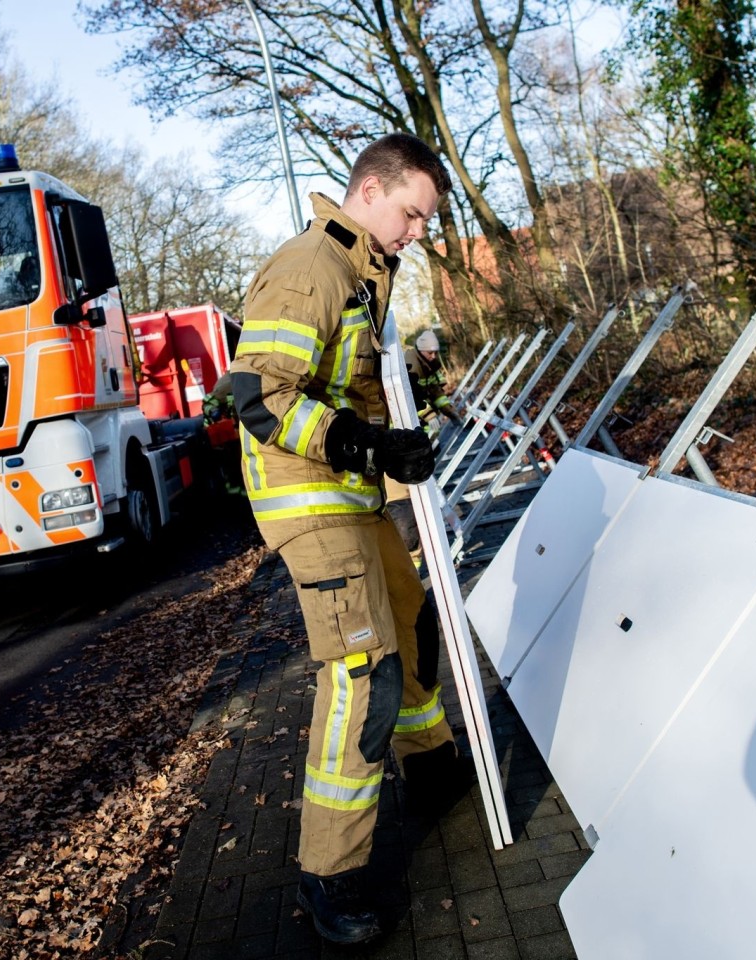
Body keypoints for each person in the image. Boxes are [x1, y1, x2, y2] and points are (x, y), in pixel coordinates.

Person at [227, 132, 472, 945]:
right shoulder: (311, 269)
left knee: (409, 617)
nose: (416, 233)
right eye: (412, 214)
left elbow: (356, 389)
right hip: (309, 500)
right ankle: (329, 874)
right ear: (371, 191)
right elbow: (260, 398)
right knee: (362, 671)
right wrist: (369, 447)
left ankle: (428, 759)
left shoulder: (362, 272)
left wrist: (400, 441)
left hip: (351, 491)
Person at [404, 329, 461, 432]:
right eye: (430, 353)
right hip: (411, 420)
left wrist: (449, 411)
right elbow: (410, 397)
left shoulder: (429, 364)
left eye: (435, 352)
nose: (433, 356)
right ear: (421, 350)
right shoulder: (412, 366)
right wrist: (429, 415)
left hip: (426, 417)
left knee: (434, 437)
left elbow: (436, 391)